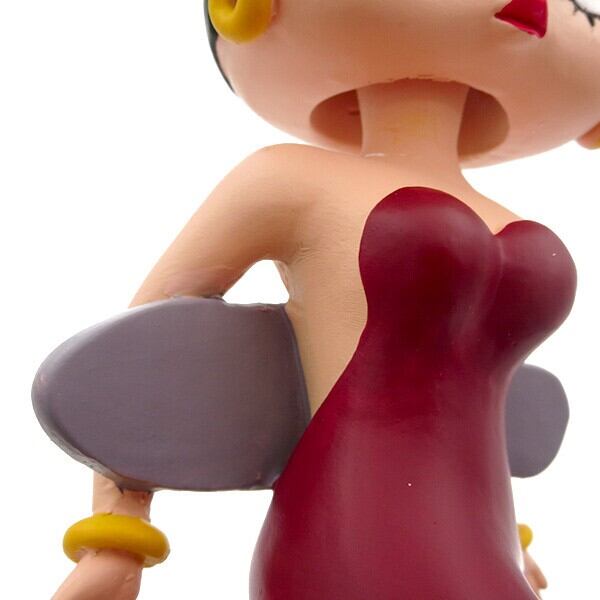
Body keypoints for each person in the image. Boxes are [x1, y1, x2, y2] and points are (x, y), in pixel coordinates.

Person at [46, 0, 600, 598]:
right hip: (352, 528)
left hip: (485, 544)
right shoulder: (289, 181)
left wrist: (512, 540)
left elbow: (481, 396)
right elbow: (138, 351)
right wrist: (117, 534)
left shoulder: (504, 214)